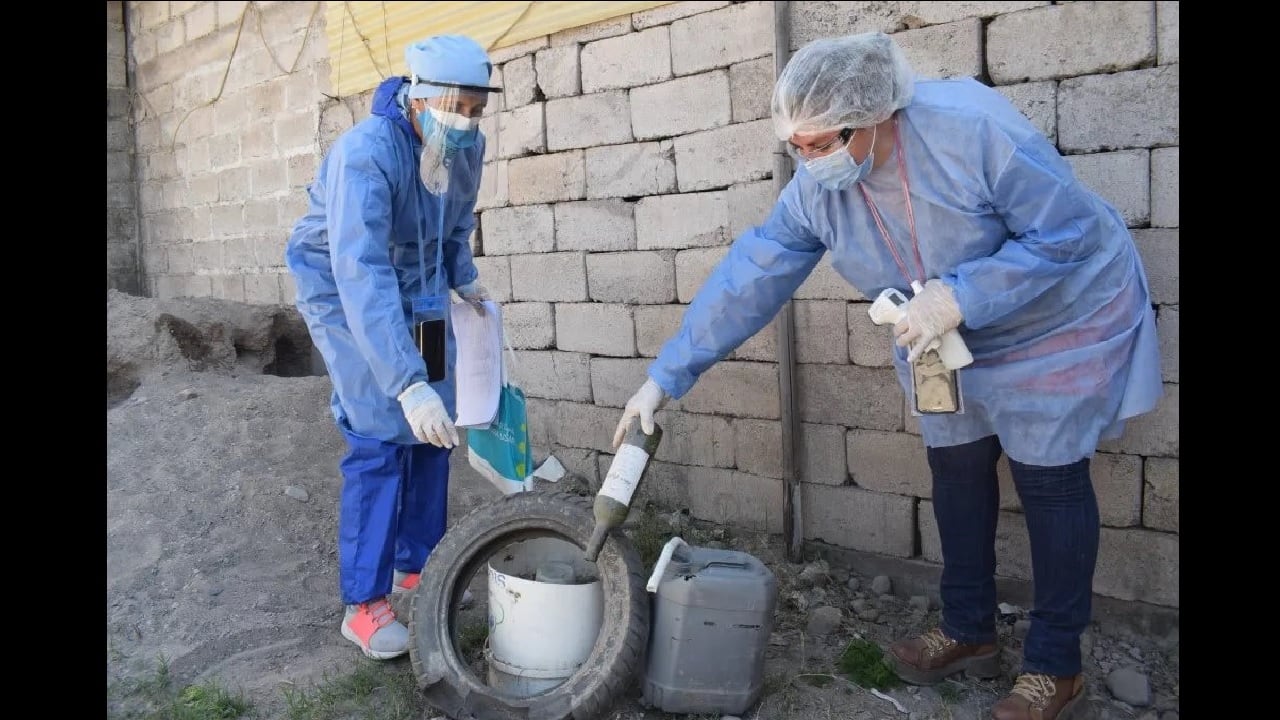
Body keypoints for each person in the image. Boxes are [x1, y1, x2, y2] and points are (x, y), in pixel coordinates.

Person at [611, 31, 1161, 720]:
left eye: (822, 143)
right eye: (796, 147)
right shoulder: (820, 188)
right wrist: (665, 376)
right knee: (956, 468)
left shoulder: (974, 133)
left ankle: (1056, 666)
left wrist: (964, 294)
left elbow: (1068, 234)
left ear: (874, 117)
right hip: (943, 336)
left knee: (1050, 481)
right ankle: (968, 629)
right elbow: (752, 275)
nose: (809, 162)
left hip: (1054, 322)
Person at [284, 34, 500, 660]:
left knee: (434, 428)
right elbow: (361, 272)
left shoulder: (467, 146)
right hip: (346, 295)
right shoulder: (365, 154)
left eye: (478, 109)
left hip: (421, 289)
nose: (467, 121)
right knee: (382, 430)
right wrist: (405, 380)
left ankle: (419, 568)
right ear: (420, 98)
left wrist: (461, 272)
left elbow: (456, 222)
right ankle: (364, 604)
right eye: (457, 107)